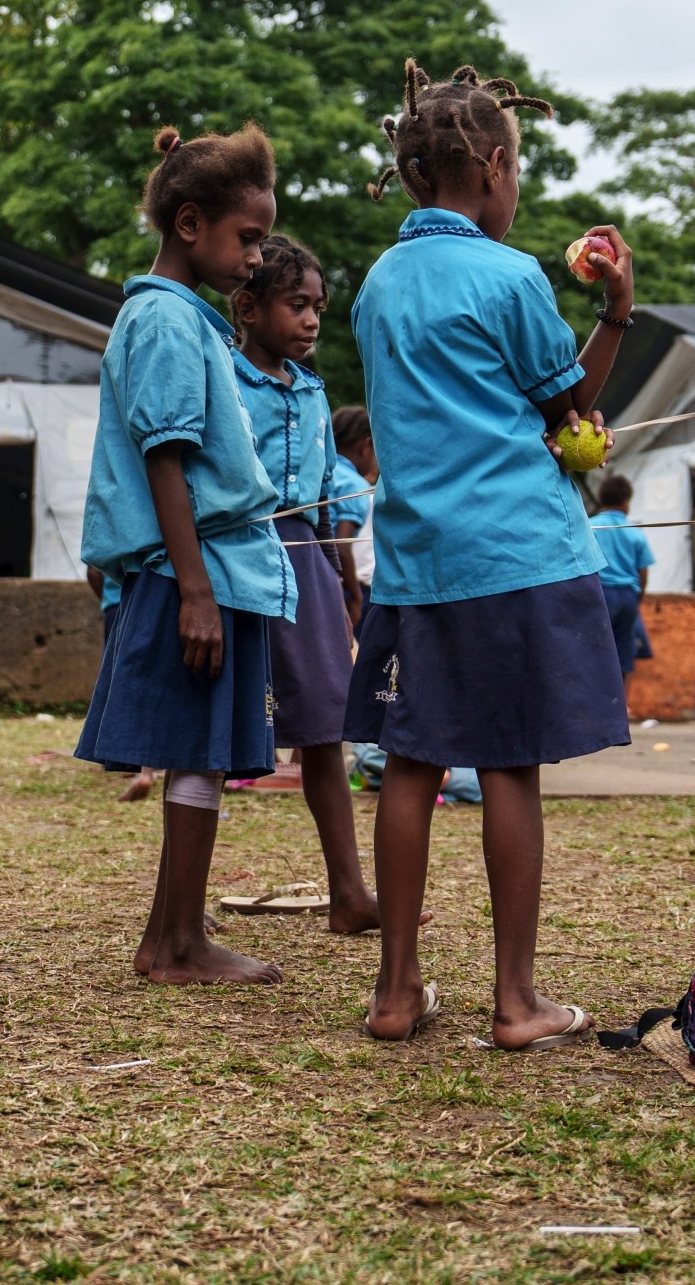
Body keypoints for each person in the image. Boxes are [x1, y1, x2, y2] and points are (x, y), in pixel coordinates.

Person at [343, 61, 631, 1049]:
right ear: (494, 167)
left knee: (412, 766)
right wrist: (615, 314)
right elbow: (570, 416)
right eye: (518, 174)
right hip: (515, 554)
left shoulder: (378, 285)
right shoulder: (508, 277)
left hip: (416, 561)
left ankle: (395, 992)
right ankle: (517, 1002)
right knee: (508, 767)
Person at [71, 122, 290, 987]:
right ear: (189, 223)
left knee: (200, 754)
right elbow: (166, 454)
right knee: (193, 748)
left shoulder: (183, 319)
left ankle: (176, 936)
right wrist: (195, 590)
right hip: (187, 572)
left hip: (210, 568)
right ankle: (175, 943)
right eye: (248, 238)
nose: (257, 257)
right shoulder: (162, 318)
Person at [228, 234, 394, 933]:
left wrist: (344, 567)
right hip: (240, 556)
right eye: (296, 305)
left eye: (318, 307)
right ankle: (179, 907)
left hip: (311, 566)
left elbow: (330, 488)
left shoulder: (316, 394)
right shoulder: (223, 379)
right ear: (248, 307)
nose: (312, 320)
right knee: (219, 730)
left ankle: (349, 891)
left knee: (327, 728)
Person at [84, 565, 160, 802]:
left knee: (124, 684)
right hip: (153, 601)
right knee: (152, 680)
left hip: (118, 604)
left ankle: (133, 760)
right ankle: (145, 763)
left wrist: (107, 598)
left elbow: (93, 572)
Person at [589, 475, 655, 722]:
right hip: (627, 595)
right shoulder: (634, 532)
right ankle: (620, 708)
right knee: (624, 650)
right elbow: (643, 570)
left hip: (598, 594)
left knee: (594, 648)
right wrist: (639, 598)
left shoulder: (590, 526)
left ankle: (595, 705)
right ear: (626, 502)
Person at [327, 406, 373, 626]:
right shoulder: (355, 485)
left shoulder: (323, 469)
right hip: (333, 581)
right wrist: (355, 597)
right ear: (366, 446)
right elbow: (342, 544)